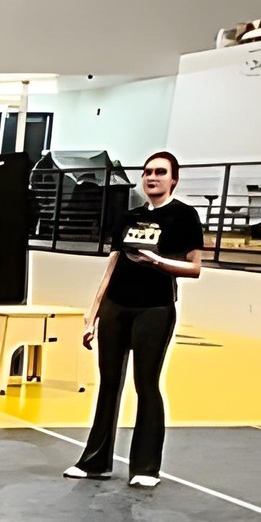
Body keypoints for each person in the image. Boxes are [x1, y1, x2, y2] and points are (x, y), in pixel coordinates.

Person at [65, 150, 204, 490]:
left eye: (160, 172)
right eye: (147, 172)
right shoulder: (129, 217)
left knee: (146, 384)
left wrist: (158, 262)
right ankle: (95, 462)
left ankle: (146, 467)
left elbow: (195, 267)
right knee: (109, 383)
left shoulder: (184, 216)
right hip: (117, 307)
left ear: (173, 179)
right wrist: (92, 314)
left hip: (154, 309)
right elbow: (111, 267)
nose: (152, 177)